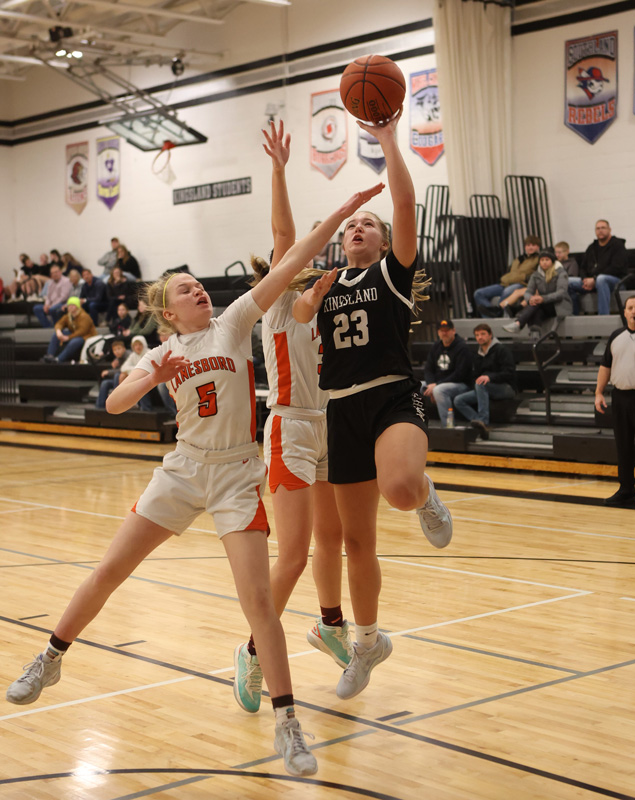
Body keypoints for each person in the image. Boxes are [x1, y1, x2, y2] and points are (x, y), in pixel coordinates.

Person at [5, 182, 383, 778]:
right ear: (168, 311)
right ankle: (48, 657)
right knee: (109, 570)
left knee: (260, 604)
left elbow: (287, 263)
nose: (198, 289)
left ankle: (289, 725)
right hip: (182, 472)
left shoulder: (233, 323)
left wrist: (335, 215)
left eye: (198, 283)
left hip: (235, 474)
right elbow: (116, 404)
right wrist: (153, 377)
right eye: (186, 288)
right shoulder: (160, 352)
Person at [294, 109, 452, 703]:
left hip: (389, 394)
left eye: (368, 223)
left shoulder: (390, 273)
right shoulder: (327, 281)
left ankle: (428, 495)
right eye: (351, 224)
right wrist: (307, 290)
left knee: (403, 489)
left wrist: (387, 139)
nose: (357, 228)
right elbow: (300, 316)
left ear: (386, 241)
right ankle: (367, 641)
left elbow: (407, 206)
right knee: (356, 542)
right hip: (340, 408)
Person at [233, 122, 351, 716]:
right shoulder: (277, 301)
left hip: (329, 425)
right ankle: (253, 651)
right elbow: (284, 232)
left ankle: (330, 624)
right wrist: (279, 169)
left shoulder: (318, 305)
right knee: (296, 554)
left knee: (334, 540)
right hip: (290, 429)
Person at [595, 295, 635, 509]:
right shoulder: (616, 336)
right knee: (623, 447)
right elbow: (605, 366)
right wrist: (598, 392)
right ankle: (626, 491)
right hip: (620, 397)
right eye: (630, 308)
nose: (634, 311)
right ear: (625, 312)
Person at [453, 323, 516, 439]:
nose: (480, 337)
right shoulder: (477, 355)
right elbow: (475, 376)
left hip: (506, 387)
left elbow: (509, 373)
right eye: (477, 335)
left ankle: (484, 422)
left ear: (490, 335)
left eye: (483, 334)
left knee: (481, 384)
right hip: (484, 388)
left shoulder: (502, 350)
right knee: (459, 400)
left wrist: (490, 378)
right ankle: (479, 422)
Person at [502, 249, 572, 338]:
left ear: (552, 261)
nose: (544, 262)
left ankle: (519, 323)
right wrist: (530, 298)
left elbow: (561, 293)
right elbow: (528, 292)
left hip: (558, 305)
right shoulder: (535, 275)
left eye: (547, 260)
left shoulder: (561, 273)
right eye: (542, 260)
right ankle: (535, 336)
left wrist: (543, 298)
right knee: (536, 308)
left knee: (537, 304)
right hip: (542, 305)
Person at [568, 220, 628, 315]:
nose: (600, 230)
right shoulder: (592, 247)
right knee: (568, 281)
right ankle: (574, 314)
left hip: (616, 281)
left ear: (609, 229)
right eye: (598, 228)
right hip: (592, 282)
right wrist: (585, 279)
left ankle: (603, 317)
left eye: (603, 228)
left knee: (601, 279)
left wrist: (594, 279)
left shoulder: (618, 245)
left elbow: (616, 268)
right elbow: (583, 267)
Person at [474, 235, 541, 317]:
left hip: (522, 284)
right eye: (528, 245)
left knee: (507, 291)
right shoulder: (518, 259)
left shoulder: (539, 259)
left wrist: (525, 278)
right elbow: (509, 272)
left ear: (538, 246)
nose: (530, 247)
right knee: (478, 293)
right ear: (525, 247)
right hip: (505, 283)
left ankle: (498, 312)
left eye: (533, 245)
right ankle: (490, 316)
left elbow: (539, 275)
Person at [422, 319, 472, 425]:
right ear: (438, 332)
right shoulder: (436, 346)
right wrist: (431, 384)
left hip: (461, 384)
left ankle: (448, 426)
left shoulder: (462, 347)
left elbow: (460, 374)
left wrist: (436, 385)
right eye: (441, 330)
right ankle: (419, 423)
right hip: (438, 384)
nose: (444, 333)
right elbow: (428, 369)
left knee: (439, 391)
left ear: (453, 331)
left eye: (447, 330)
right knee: (416, 386)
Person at [41, 296, 97, 363]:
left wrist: (68, 337)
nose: (70, 307)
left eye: (73, 305)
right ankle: (49, 355)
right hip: (75, 335)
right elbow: (59, 323)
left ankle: (58, 359)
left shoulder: (84, 316)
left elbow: (82, 331)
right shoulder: (69, 315)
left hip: (87, 336)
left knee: (74, 341)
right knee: (56, 335)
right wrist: (58, 331)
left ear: (77, 306)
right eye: (69, 305)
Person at [95, 338, 130, 408]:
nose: (117, 351)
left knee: (117, 375)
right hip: (119, 380)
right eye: (114, 350)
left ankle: (115, 401)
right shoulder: (117, 358)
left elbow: (123, 370)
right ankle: (100, 407)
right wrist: (113, 367)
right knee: (105, 383)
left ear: (124, 348)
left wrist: (109, 372)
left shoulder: (128, 355)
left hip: (129, 380)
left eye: (118, 349)